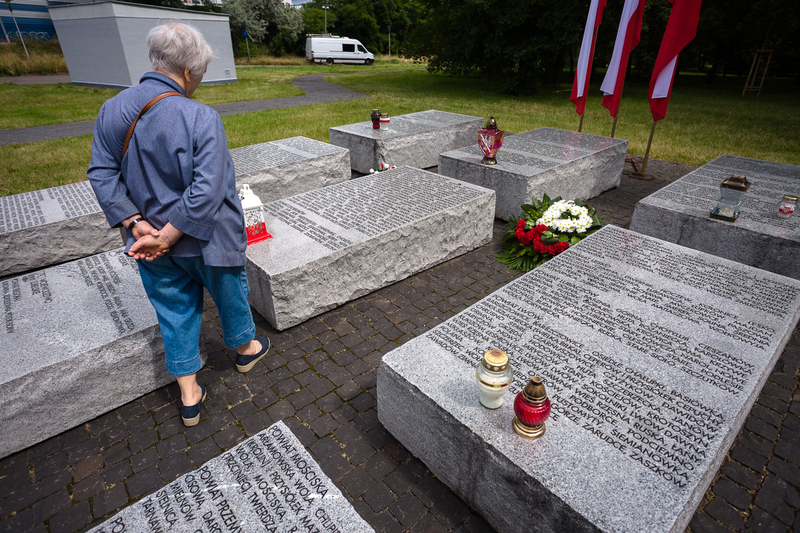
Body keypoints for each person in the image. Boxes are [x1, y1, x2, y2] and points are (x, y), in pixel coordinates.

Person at [87, 21, 269, 427]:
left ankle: (189, 392)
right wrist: (168, 236)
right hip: (208, 238)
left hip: (149, 242)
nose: (201, 80)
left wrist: (140, 228)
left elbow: (101, 171)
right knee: (229, 293)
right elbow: (208, 189)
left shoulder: (112, 109)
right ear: (188, 70)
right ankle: (245, 350)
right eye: (201, 72)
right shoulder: (201, 116)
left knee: (174, 310)